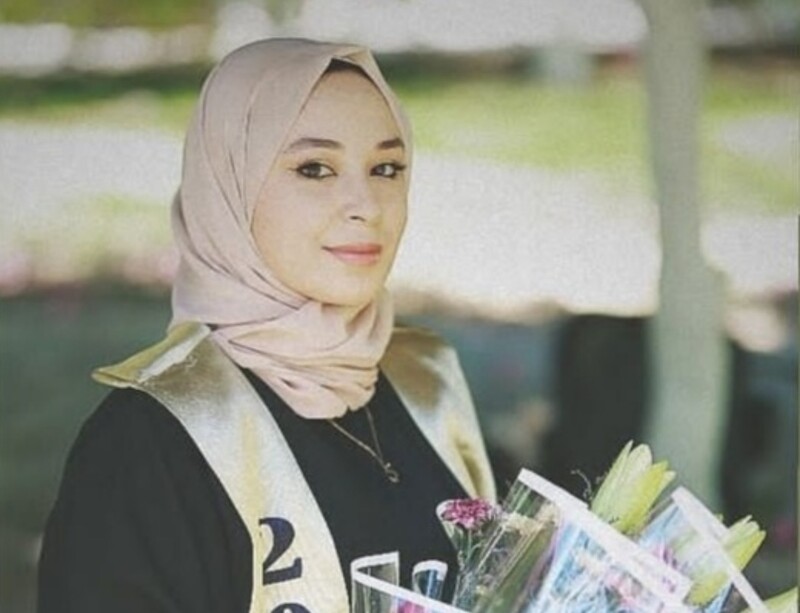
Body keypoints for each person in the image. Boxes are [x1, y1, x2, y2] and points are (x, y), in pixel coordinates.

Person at [37, 38, 495, 613]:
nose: (366, 205)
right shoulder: (148, 443)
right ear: (230, 186)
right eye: (314, 169)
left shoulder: (428, 380)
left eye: (386, 168)